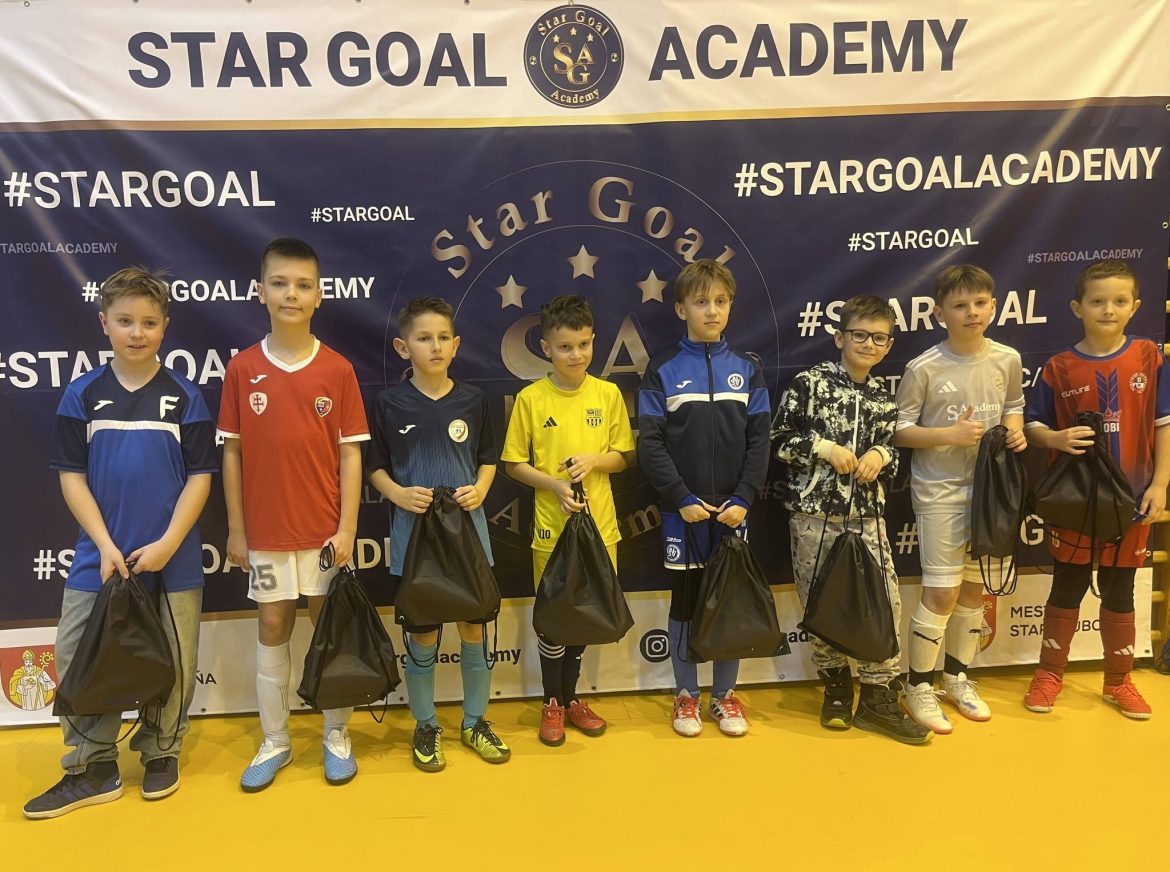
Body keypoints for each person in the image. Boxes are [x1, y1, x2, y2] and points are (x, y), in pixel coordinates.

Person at [25, 267, 215, 819]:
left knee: (175, 658)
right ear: (104, 323)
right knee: (77, 655)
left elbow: (200, 479)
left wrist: (168, 543)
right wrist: (106, 545)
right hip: (99, 557)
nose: (137, 332)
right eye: (125, 321)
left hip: (172, 558)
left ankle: (161, 752)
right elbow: (72, 477)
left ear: (165, 327)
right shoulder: (82, 393)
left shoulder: (184, 396)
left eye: (149, 322)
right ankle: (93, 766)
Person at [218, 238, 369, 790]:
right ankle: (276, 740)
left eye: (303, 285)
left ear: (319, 295)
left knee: (327, 626)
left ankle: (335, 733)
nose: (291, 294)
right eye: (280, 283)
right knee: (273, 623)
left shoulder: (337, 369)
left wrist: (347, 528)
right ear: (260, 291)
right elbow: (232, 452)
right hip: (266, 533)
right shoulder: (242, 368)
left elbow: (350, 455)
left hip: (325, 533)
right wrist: (237, 530)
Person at [773, 295, 930, 743]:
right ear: (840, 337)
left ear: (889, 344)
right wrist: (823, 448)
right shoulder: (810, 383)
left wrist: (881, 454)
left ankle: (879, 697)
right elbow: (779, 439)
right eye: (859, 334)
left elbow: (894, 451)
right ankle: (837, 688)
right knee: (823, 602)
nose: (868, 344)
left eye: (879, 338)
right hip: (814, 515)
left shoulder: (882, 397)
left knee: (885, 602)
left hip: (868, 518)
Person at [367, 296, 509, 771]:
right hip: (415, 535)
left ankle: (475, 722)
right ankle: (426, 725)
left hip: (467, 533)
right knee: (423, 634)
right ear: (403, 347)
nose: (435, 346)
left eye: (443, 337)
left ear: (456, 344)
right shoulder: (388, 403)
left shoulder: (474, 400)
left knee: (474, 628)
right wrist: (397, 493)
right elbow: (375, 467)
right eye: (424, 338)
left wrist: (481, 489)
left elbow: (488, 458)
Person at [1023, 259, 1169, 719]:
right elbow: (1032, 426)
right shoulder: (1059, 367)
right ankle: (1049, 675)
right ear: (1077, 307)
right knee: (1066, 586)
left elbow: (1164, 423)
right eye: (1098, 301)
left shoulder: (1149, 356)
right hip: (1076, 502)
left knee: (1120, 589)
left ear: (1135, 307)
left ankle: (1118, 681)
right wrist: (1055, 439)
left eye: (1119, 301)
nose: (1109, 309)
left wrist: (1161, 483)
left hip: (1133, 499)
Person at [636, 259, 769, 737]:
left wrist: (744, 497)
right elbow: (650, 444)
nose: (711, 311)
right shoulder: (663, 369)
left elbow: (760, 441)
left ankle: (725, 696)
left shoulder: (747, 370)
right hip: (684, 513)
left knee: (729, 600)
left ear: (731, 306)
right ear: (681, 309)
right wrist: (680, 497)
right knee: (687, 601)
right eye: (701, 302)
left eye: (720, 301)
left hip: (734, 510)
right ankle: (686, 695)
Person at [893, 264, 1026, 734]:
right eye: (960, 305)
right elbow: (900, 430)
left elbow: (1014, 406)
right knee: (942, 591)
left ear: (994, 306)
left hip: (991, 493)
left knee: (974, 589)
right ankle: (917, 685)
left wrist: (1013, 432)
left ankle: (957, 678)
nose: (972, 312)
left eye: (980, 303)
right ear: (939, 313)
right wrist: (948, 434)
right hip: (941, 491)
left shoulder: (1007, 358)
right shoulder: (924, 367)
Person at [501, 294, 635, 747]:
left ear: (593, 340)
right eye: (564, 347)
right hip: (551, 530)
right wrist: (554, 485)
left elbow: (623, 456)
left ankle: (573, 697)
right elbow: (513, 464)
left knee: (584, 615)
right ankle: (552, 702)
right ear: (545, 347)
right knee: (554, 617)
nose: (575, 355)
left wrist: (595, 460)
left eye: (583, 345)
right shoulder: (531, 399)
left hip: (600, 528)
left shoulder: (608, 394)